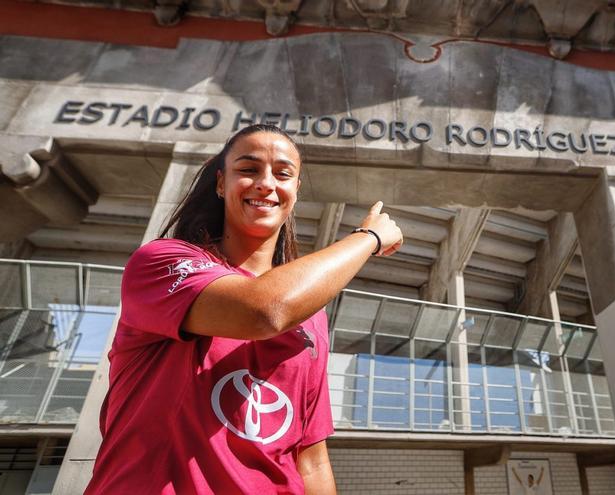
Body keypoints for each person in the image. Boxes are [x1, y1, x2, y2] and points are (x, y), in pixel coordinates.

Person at [85, 124, 403, 494]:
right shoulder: (162, 262)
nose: (266, 183)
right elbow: (263, 312)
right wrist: (368, 237)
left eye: (283, 174)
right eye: (249, 169)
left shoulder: (311, 316)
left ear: (295, 192)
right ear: (221, 184)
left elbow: (310, 459)